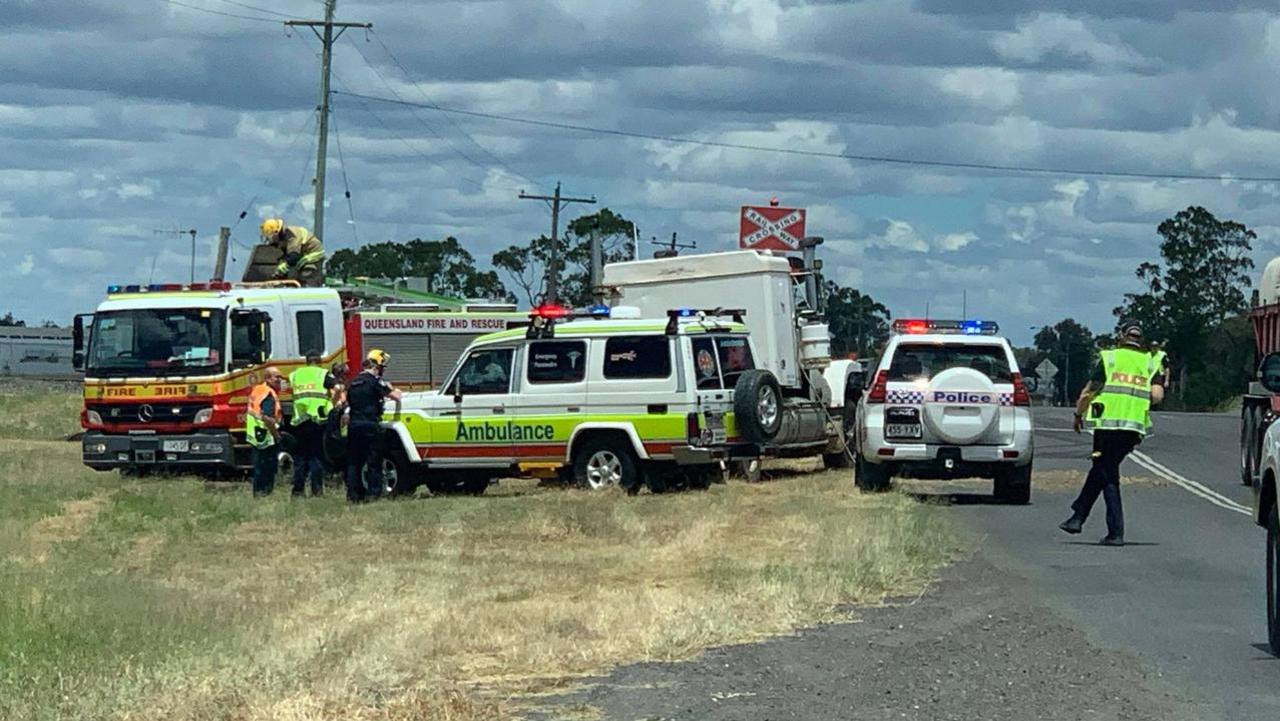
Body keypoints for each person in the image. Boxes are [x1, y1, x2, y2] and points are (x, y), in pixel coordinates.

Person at [1059, 321, 1166, 546]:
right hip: (1133, 429)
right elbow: (1157, 396)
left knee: (1105, 471)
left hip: (1106, 427)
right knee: (1105, 470)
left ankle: (1105, 528)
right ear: (1140, 339)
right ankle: (1079, 517)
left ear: (1121, 336)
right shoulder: (1150, 362)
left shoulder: (1109, 358)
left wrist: (1078, 415)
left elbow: (1089, 392)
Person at [344, 349, 402, 503]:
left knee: (354, 462)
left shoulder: (353, 383)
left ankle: (353, 495)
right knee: (373, 460)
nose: (382, 371)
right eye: (382, 368)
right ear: (377, 366)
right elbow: (395, 396)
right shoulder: (375, 381)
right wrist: (395, 389)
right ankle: (373, 494)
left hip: (354, 426)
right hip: (370, 425)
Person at [288, 353, 331, 498]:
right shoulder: (323, 374)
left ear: (306, 362)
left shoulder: (295, 375)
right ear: (319, 362)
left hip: (300, 421)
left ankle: (297, 491)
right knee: (316, 457)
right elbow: (337, 387)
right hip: (317, 421)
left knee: (300, 458)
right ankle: (317, 490)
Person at [246, 367, 285, 497]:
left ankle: (257, 494)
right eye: (276, 377)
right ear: (268, 378)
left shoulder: (257, 389)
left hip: (255, 434)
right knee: (267, 468)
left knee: (258, 467)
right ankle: (265, 494)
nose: (280, 380)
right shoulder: (268, 394)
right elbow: (268, 419)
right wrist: (277, 435)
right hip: (266, 436)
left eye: (280, 377)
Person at [260, 218, 325, 287]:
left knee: (306, 275)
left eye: (269, 237)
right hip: (302, 255)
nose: (269, 240)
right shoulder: (282, 238)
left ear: (276, 232)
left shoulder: (291, 235)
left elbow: (294, 257)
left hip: (313, 254)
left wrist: (283, 267)